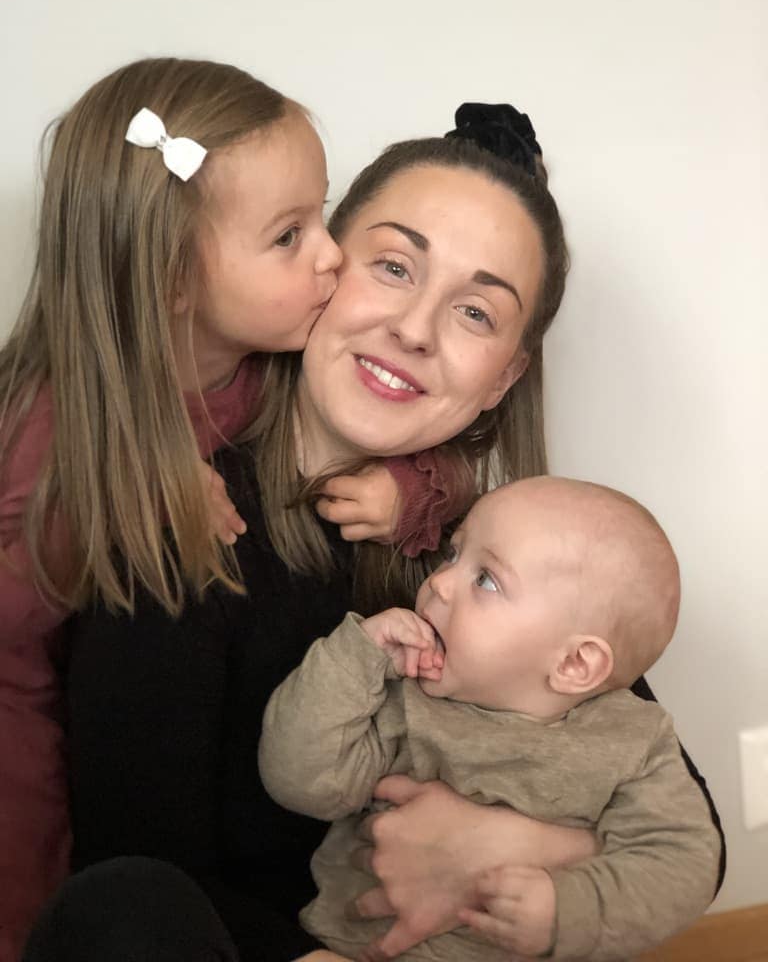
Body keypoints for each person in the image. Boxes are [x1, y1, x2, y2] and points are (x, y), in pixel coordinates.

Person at [25, 104, 722, 962]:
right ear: (321, 267)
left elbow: (686, 820)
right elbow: (138, 880)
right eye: (394, 267)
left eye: (476, 313)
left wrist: (509, 847)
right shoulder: (187, 517)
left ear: (504, 378)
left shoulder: (500, 550)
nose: (414, 330)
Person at [0, 57, 465, 962]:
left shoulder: (266, 370)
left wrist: (410, 490)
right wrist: (130, 494)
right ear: (172, 279)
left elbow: (405, 438)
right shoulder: (48, 429)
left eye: (321, 215)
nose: (333, 254)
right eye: (289, 236)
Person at [260, 477, 722, 962]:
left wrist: (565, 908)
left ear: (574, 664)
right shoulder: (403, 696)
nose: (438, 582)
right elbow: (300, 784)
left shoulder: (631, 743)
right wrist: (357, 659)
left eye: (486, 580)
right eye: (454, 555)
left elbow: (685, 863)